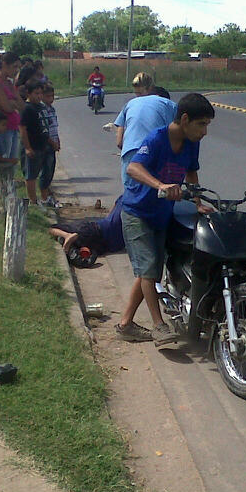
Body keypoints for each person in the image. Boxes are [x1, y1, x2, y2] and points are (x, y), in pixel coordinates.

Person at [115, 93, 215, 346]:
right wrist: (160, 184)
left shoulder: (192, 143)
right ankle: (159, 326)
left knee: (149, 272)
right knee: (149, 271)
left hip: (162, 214)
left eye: (207, 125)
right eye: (201, 124)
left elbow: (191, 172)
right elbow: (133, 167)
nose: (204, 132)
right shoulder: (157, 138)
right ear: (184, 119)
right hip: (137, 213)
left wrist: (197, 203)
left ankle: (125, 324)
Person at [114, 83, 177, 192]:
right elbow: (175, 134)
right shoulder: (169, 104)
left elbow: (119, 141)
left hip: (131, 151)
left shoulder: (131, 103)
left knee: (130, 193)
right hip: (156, 151)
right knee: (159, 191)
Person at [49, 195, 125, 257]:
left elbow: (111, 213)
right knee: (80, 248)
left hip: (97, 229)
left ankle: (67, 235)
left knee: (50, 228)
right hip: (105, 246)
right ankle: (69, 237)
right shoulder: (131, 203)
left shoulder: (125, 198)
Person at [19, 79, 55, 205]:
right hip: (32, 146)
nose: (39, 96)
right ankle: (33, 201)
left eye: (40, 93)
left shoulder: (41, 107)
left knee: (44, 172)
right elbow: (22, 128)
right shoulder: (27, 109)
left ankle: (44, 199)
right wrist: (28, 148)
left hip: (43, 146)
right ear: (28, 93)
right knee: (31, 175)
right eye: (36, 93)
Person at [0, 52, 24, 171]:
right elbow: (7, 107)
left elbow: (22, 105)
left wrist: (12, 102)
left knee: (11, 165)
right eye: (14, 67)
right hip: (2, 129)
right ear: (4, 65)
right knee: (2, 163)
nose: (16, 70)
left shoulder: (9, 83)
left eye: (18, 67)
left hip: (13, 127)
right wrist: (12, 103)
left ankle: (9, 189)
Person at [40, 84, 60, 206]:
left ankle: (47, 194)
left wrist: (57, 140)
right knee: (46, 171)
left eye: (52, 96)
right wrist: (52, 142)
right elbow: (44, 130)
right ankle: (44, 196)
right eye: (48, 96)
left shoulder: (52, 109)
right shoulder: (42, 110)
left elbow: (54, 127)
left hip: (53, 142)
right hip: (46, 144)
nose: (50, 99)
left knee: (51, 169)